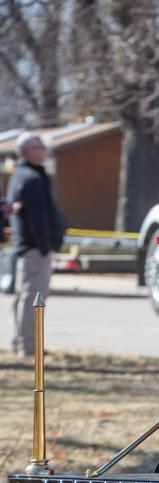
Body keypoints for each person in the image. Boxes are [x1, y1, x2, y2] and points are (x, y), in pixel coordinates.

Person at [7, 132, 64, 356]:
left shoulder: (23, 175)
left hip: (28, 246)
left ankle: (20, 341)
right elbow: (37, 217)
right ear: (28, 151)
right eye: (40, 147)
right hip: (34, 248)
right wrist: (45, 244)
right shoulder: (30, 178)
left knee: (25, 296)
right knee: (33, 298)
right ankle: (28, 346)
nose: (44, 150)